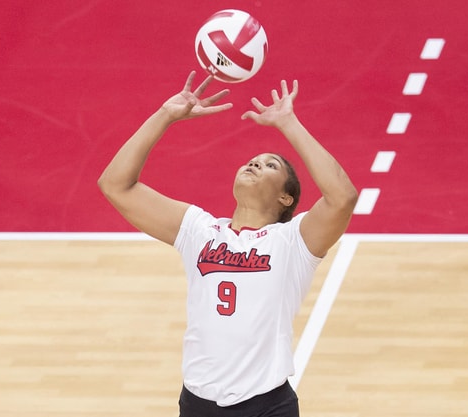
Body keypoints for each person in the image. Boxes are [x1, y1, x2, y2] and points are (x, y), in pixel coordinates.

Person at [97, 71, 358, 417]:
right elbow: (115, 185)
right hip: (198, 404)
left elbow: (342, 197)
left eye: (270, 165)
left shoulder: (293, 242)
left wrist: (288, 123)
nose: (255, 163)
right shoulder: (198, 230)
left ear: (285, 197)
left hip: (267, 405)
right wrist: (166, 114)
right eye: (254, 160)